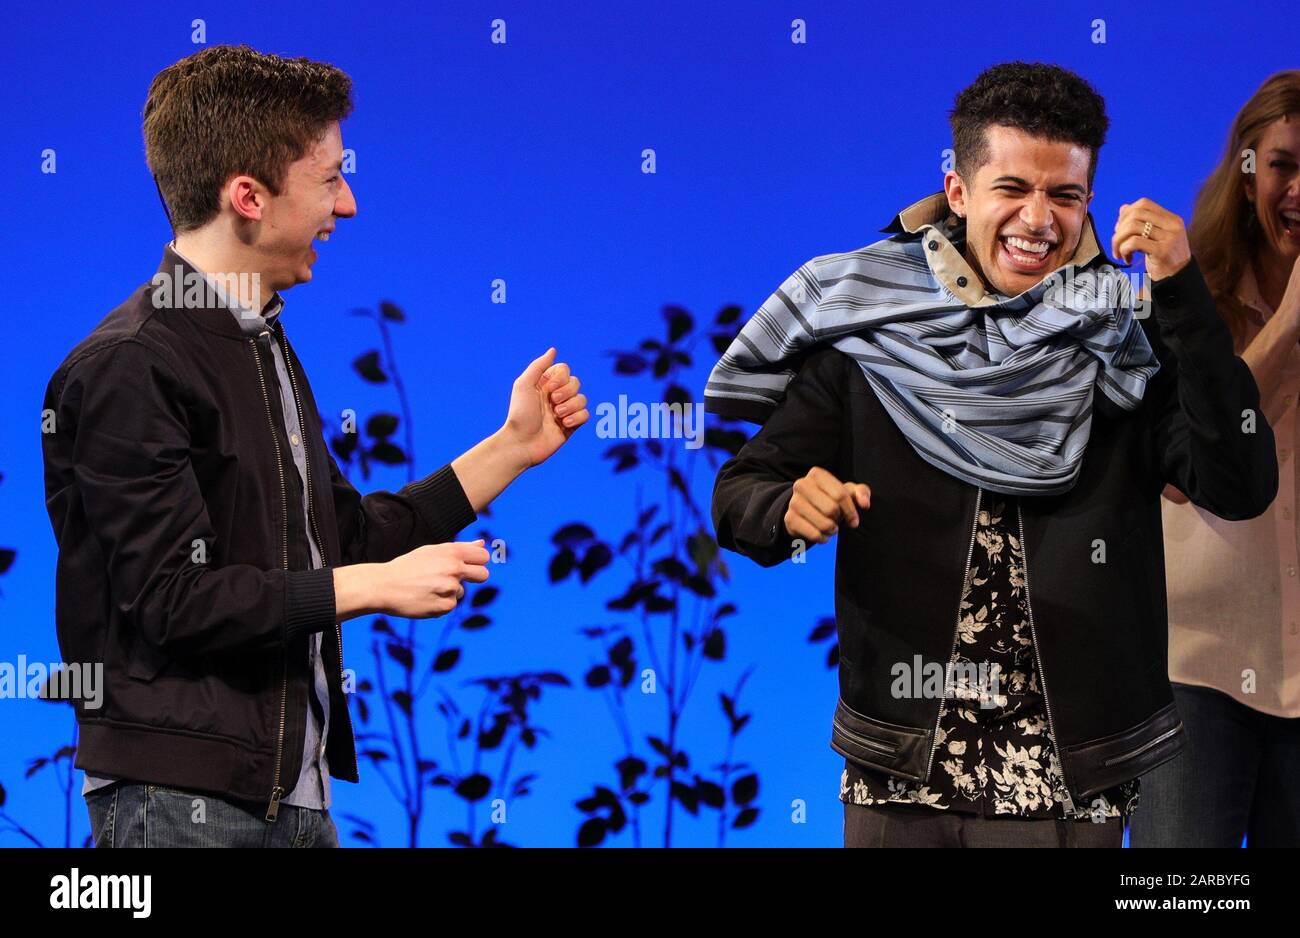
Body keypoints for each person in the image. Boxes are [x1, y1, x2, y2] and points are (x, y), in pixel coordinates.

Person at [706, 61, 1277, 848]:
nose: (1039, 219)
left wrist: (1183, 296)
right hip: (903, 770)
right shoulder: (874, 330)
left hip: (1070, 777)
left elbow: (1238, 482)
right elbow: (741, 494)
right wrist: (784, 506)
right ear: (959, 190)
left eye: (1066, 195)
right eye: (1013, 188)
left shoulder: (1128, 339)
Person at [41, 45, 590, 847]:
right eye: (330, 178)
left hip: (291, 801)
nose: (351, 204)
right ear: (248, 197)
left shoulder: (261, 347)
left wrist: (510, 448)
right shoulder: (131, 364)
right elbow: (171, 600)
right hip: (179, 803)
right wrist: (371, 587)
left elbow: (342, 539)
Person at [1131, 71, 1300, 848]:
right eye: (1285, 165)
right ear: (1245, 171)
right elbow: (1176, 474)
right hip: (1196, 666)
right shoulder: (1181, 303)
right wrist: (1291, 325)